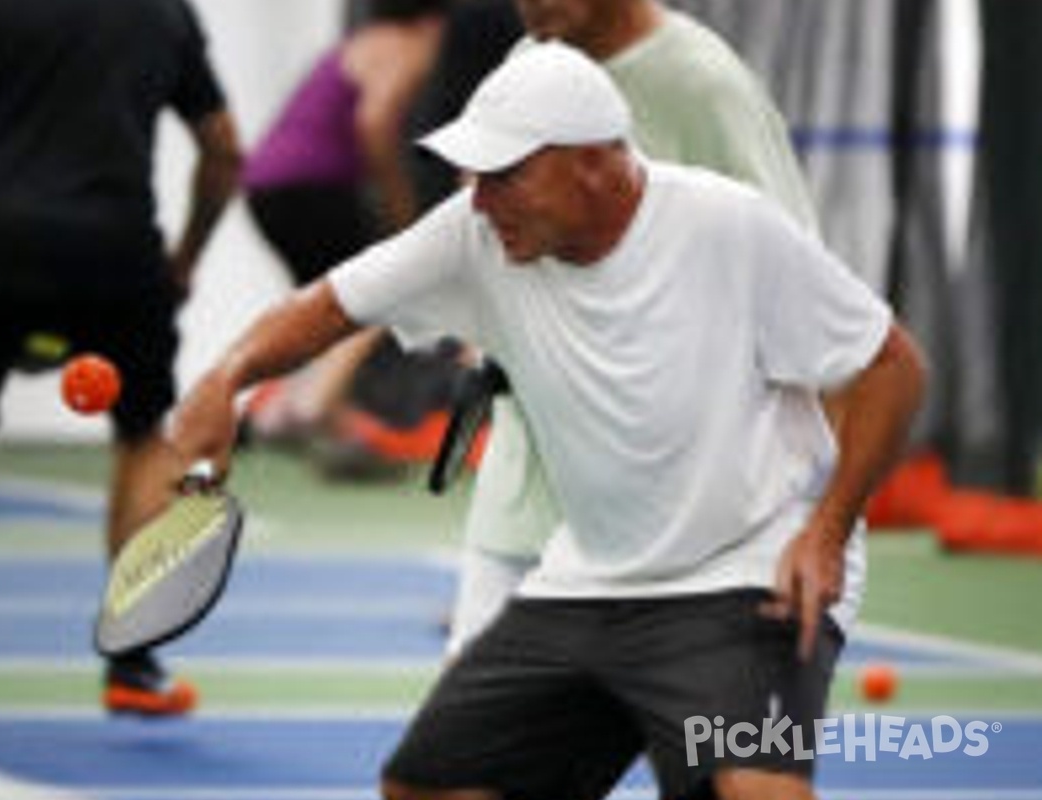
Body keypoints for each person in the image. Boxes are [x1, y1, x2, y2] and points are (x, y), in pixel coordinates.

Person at [167, 43, 926, 799]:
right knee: (427, 788)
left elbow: (892, 365)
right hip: (593, 577)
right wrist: (225, 377)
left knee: (754, 792)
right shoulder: (476, 230)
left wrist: (826, 533)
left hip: (748, 569)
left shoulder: (729, 226)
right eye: (473, 173)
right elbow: (331, 304)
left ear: (595, 161)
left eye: (505, 174)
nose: (482, 197)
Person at [0, 0, 242, 724]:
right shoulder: (161, 12)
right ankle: (132, 661)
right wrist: (185, 258)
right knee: (143, 436)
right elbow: (223, 151)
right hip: (115, 252)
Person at [446, 0, 831, 654]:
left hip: (677, 523)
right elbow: (481, 218)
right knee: (454, 756)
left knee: (719, 752)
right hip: (525, 503)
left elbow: (799, 290)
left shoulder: (704, 86)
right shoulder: (530, 59)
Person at [241, 0, 453, 467]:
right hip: (312, 185)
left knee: (327, 302)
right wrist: (399, 209)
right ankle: (310, 407)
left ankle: (294, 410)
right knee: (383, 287)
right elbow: (375, 121)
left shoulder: (358, 42)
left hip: (264, 185)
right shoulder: (412, 43)